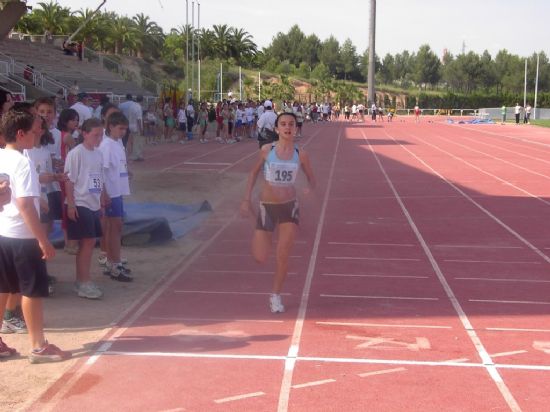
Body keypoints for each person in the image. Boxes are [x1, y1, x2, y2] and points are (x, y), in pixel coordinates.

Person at [0, 108, 71, 362]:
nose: (37, 134)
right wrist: (42, 239)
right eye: (33, 131)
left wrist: (36, 198)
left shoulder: (2, 157)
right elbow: (24, 205)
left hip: (2, 233)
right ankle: (38, 345)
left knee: (4, 288)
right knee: (31, 290)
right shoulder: (24, 162)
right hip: (22, 237)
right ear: (20, 134)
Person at [240, 112, 316, 313]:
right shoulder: (266, 150)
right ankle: (258, 224)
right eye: (283, 124)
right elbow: (253, 173)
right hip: (267, 206)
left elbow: (311, 178)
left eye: (291, 124)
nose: (287, 127)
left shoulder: (302, 154)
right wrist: (246, 200)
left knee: (283, 254)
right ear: (276, 129)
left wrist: (309, 188)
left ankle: (275, 295)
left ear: (296, 129)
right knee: (260, 256)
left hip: (289, 206)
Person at [64, 118, 107, 299]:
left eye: (101, 135)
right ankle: (83, 281)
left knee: (90, 242)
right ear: (85, 133)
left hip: (93, 202)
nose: (99, 138)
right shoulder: (76, 154)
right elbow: (69, 179)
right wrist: (71, 204)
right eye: (96, 135)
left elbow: (99, 177)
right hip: (80, 202)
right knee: (87, 242)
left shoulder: (98, 154)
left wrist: (102, 198)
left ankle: (82, 280)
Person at [98, 112, 133, 282]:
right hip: (111, 192)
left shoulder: (117, 142)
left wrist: (127, 172)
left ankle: (113, 260)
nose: (123, 132)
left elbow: (119, 164)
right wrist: (103, 192)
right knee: (114, 226)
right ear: (110, 127)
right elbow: (101, 170)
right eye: (120, 128)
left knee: (116, 227)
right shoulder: (106, 146)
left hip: (118, 190)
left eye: (125, 129)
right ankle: (114, 262)